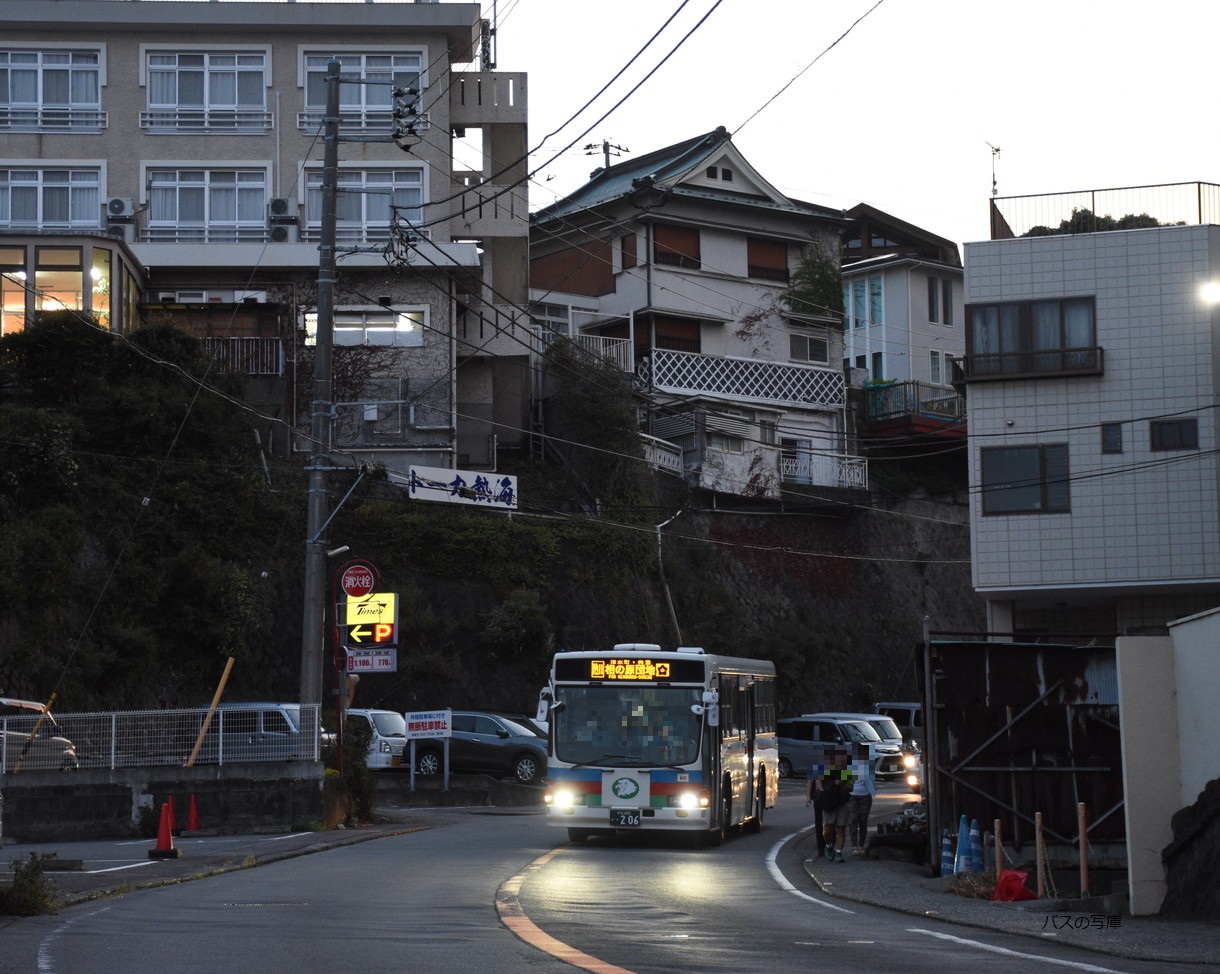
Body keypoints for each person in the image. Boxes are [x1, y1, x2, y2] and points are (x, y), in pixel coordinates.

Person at [807, 747, 851, 862]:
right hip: (829, 801)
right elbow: (816, 781)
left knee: (841, 827)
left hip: (842, 800)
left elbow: (850, 785)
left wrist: (843, 782)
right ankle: (829, 845)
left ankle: (839, 852)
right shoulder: (824, 768)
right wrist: (821, 794)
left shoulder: (846, 769)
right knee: (828, 828)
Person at [848, 742, 877, 855]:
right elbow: (845, 781)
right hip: (852, 795)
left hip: (865, 795)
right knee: (853, 820)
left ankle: (861, 846)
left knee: (863, 820)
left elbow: (871, 779)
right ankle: (854, 847)